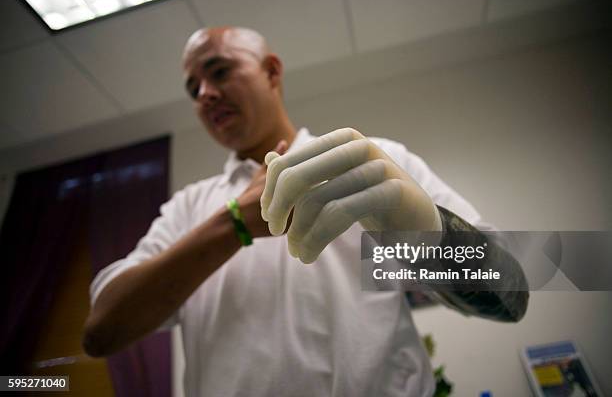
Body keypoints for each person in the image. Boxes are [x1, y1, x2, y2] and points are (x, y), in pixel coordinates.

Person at [83, 26, 528, 396]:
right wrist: (233, 222)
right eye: (193, 88)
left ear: (271, 71)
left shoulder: (374, 163)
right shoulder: (189, 208)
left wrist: (425, 230)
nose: (205, 94)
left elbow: (512, 295)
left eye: (219, 71)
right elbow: (101, 332)